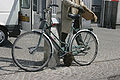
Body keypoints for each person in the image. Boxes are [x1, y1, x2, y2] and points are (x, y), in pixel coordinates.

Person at [60, 0, 97, 66]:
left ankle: (75, 51)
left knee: (75, 33)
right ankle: (67, 55)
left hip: (75, 16)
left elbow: (81, 3)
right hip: (68, 17)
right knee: (63, 38)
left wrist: (89, 12)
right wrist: (77, 6)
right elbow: (66, 1)